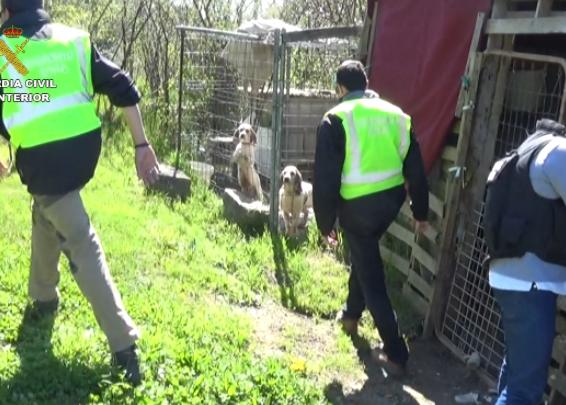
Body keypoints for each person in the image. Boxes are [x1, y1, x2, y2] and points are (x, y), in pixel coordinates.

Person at [0, 0, 160, 386]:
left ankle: (124, 345)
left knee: (80, 241)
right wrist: (142, 146)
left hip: (42, 161)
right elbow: (123, 87)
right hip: (82, 152)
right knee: (47, 211)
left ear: (5, 12)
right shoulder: (73, 39)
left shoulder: (6, 48)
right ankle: (43, 298)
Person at [313, 60, 429, 376]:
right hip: (390, 202)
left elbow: (325, 179)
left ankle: (396, 354)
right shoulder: (397, 115)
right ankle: (351, 315)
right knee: (364, 256)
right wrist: (420, 212)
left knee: (372, 277)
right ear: (365, 82)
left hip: (356, 208)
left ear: (340, 89)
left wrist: (325, 223)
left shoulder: (334, 119)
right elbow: (416, 169)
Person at [484, 119, 566, 404]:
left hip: (508, 274)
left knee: (517, 368)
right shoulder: (556, 151)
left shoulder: (519, 155)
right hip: (531, 281)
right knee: (525, 391)